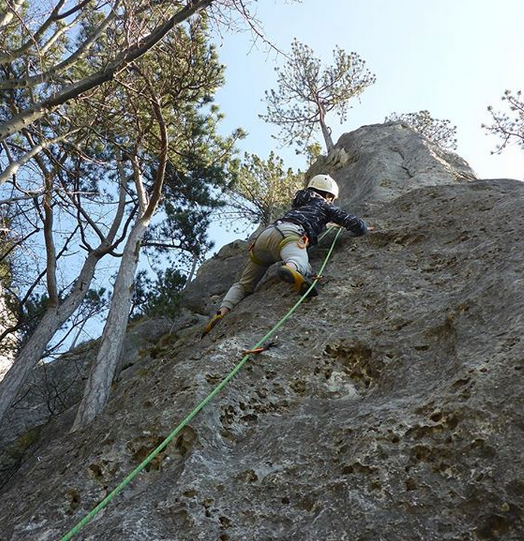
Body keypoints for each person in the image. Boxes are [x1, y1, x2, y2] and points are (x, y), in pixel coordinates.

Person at [202, 174, 369, 337]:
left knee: (244, 284)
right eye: (331, 198)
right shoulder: (323, 204)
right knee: (299, 261)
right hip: (289, 235)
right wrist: (363, 228)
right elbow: (350, 221)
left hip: (264, 238)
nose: (331, 201)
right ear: (328, 195)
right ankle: (291, 268)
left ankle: (222, 311)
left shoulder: (299, 205)